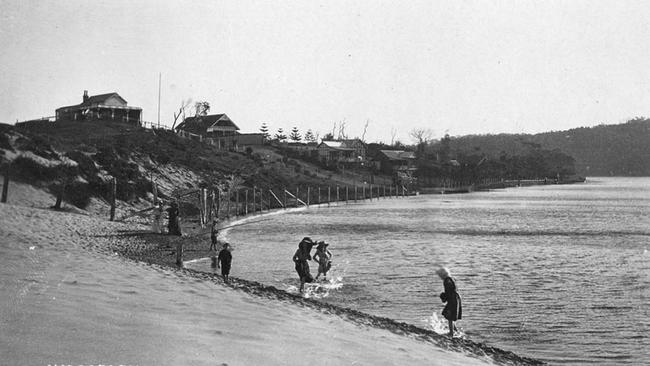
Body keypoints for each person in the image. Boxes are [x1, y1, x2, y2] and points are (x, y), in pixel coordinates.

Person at [437, 267, 462, 338]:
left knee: (450, 316)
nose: (440, 277)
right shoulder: (451, 278)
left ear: (442, 274)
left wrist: (444, 297)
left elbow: (448, 291)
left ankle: (451, 333)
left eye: (440, 275)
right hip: (456, 298)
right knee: (451, 315)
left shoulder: (446, 280)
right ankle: (455, 331)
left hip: (453, 299)